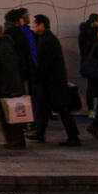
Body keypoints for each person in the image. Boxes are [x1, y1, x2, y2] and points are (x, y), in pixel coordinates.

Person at [32, 14, 80, 146]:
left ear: (42, 25)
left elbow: (45, 62)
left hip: (52, 81)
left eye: (35, 24)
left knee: (61, 108)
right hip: (53, 80)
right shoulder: (47, 38)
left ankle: (73, 136)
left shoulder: (46, 40)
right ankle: (40, 133)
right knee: (45, 107)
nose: (33, 27)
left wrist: (38, 78)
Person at [0, 10, 29, 148]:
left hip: (9, 87)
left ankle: (16, 140)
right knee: (7, 114)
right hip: (6, 86)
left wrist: (12, 88)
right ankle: (14, 140)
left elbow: (9, 69)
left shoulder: (4, 48)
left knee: (11, 115)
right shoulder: (3, 46)